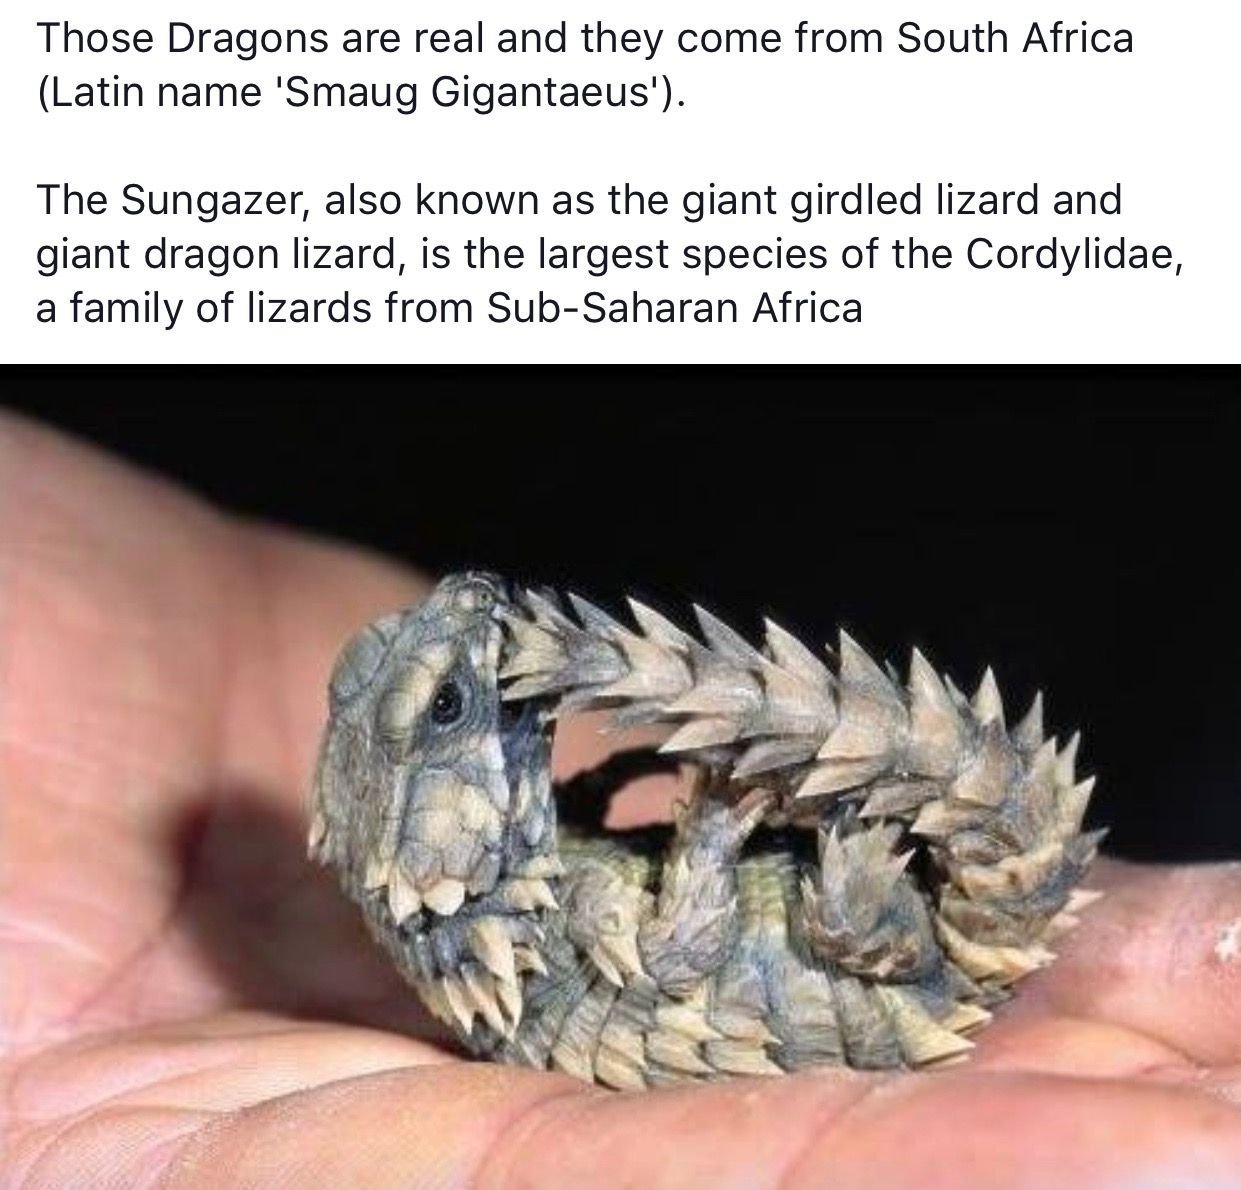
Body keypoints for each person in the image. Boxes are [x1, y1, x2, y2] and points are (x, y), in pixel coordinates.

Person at [2, 409, 1239, 1187]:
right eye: (449, 710)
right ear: (449, 845)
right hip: (857, 969)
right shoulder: (551, 938)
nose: (464, 628)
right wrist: (714, 816)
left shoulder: (521, 894)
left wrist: (650, 793)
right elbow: (680, 945)